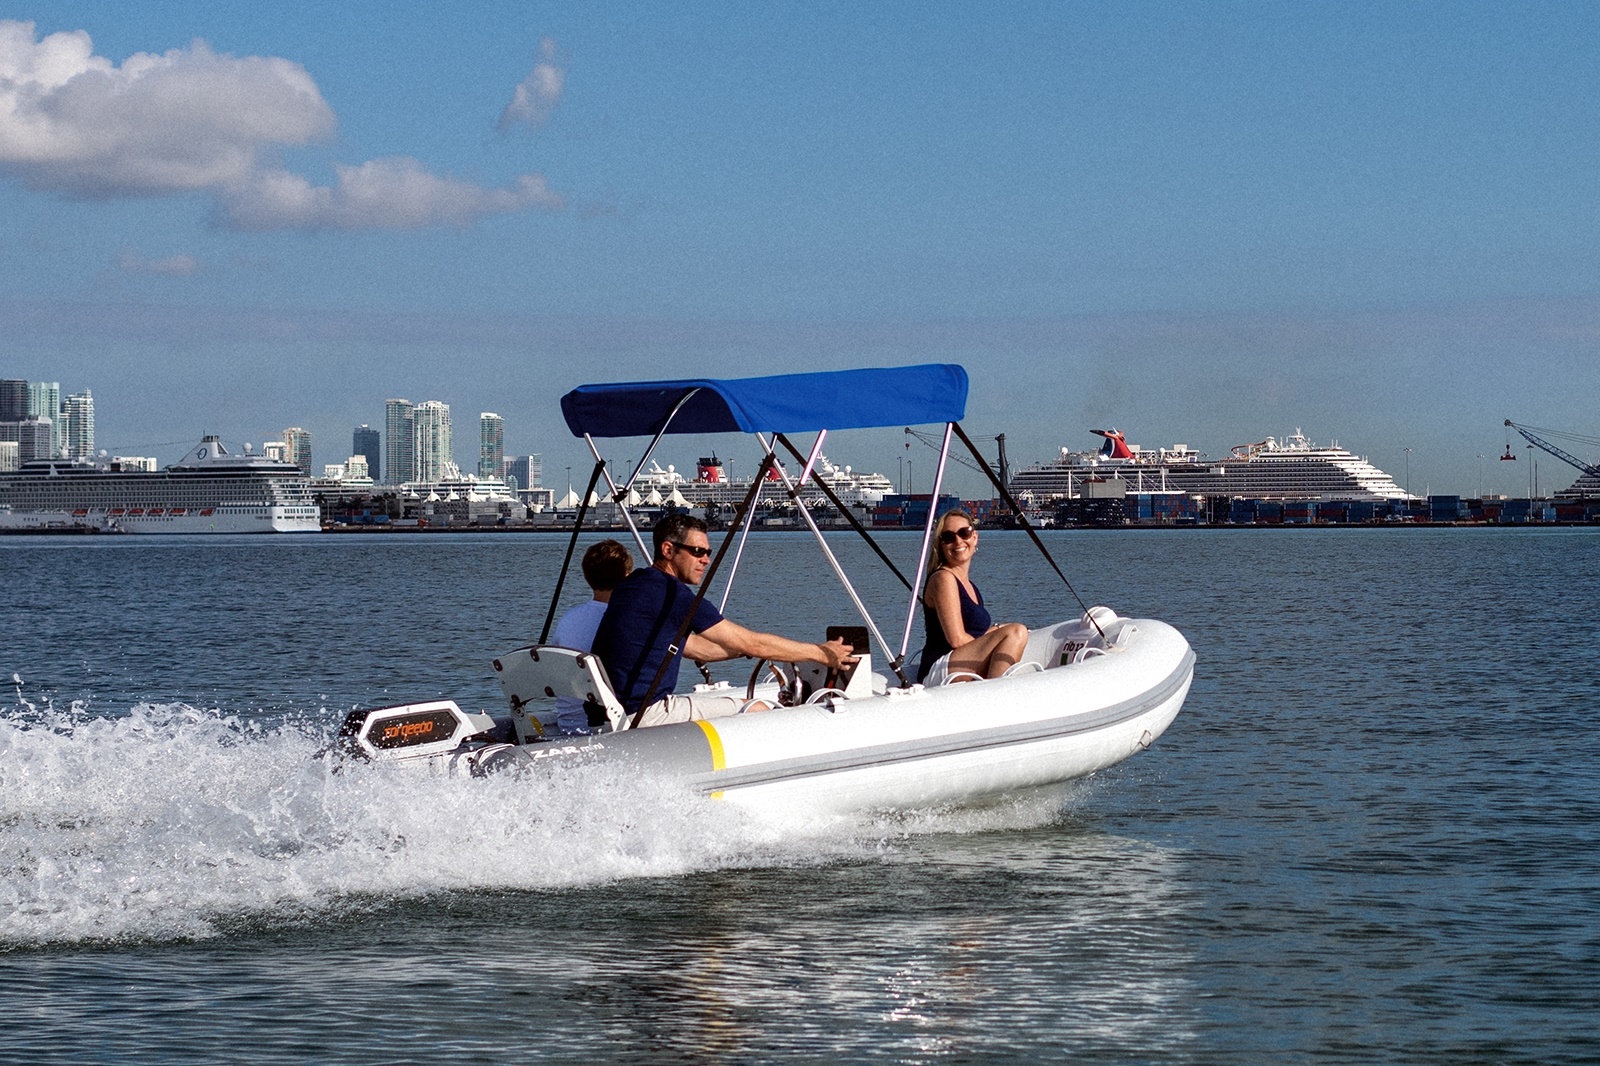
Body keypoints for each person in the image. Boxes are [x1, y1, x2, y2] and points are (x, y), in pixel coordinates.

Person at [592, 513, 856, 726]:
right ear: (668, 550)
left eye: (708, 552)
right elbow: (752, 642)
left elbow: (697, 648)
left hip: (611, 713)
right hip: (646, 714)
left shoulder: (633, 585)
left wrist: (747, 652)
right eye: (697, 551)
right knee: (758, 708)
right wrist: (822, 654)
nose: (706, 560)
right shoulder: (673, 595)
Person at [917, 508, 1029, 684]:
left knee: (1014, 631)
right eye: (948, 537)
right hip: (940, 667)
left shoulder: (970, 586)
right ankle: (996, 693)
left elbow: (975, 636)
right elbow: (957, 639)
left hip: (961, 662)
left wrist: (997, 629)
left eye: (964, 533)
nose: (958, 541)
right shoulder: (943, 578)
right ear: (941, 545)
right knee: (1016, 632)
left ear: (975, 537)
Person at [549, 538, 633, 734]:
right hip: (606, 726)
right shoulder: (626, 620)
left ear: (587, 576)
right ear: (627, 577)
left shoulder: (568, 619)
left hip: (567, 723)